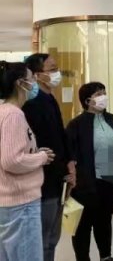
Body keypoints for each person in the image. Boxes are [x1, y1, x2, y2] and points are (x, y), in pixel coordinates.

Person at [66, 82, 113, 261]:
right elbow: (70, 154)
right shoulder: (76, 124)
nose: (103, 97)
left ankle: (106, 255)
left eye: (104, 92)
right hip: (86, 180)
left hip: (109, 175)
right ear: (87, 101)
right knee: (83, 224)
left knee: (104, 220)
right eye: (98, 94)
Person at [23, 53, 77, 261]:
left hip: (58, 179)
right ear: (37, 75)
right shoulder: (31, 104)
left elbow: (60, 137)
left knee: (53, 236)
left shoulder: (50, 99)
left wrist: (69, 166)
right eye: (52, 69)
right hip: (43, 181)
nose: (57, 73)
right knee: (43, 238)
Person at [0, 61, 55, 261]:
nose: (34, 83)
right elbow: (11, 161)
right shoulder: (13, 115)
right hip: (20, 203)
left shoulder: (4, 112)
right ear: (20, 83)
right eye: (32, 78)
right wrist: (41, 157)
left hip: (10, 202)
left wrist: (34, 153)